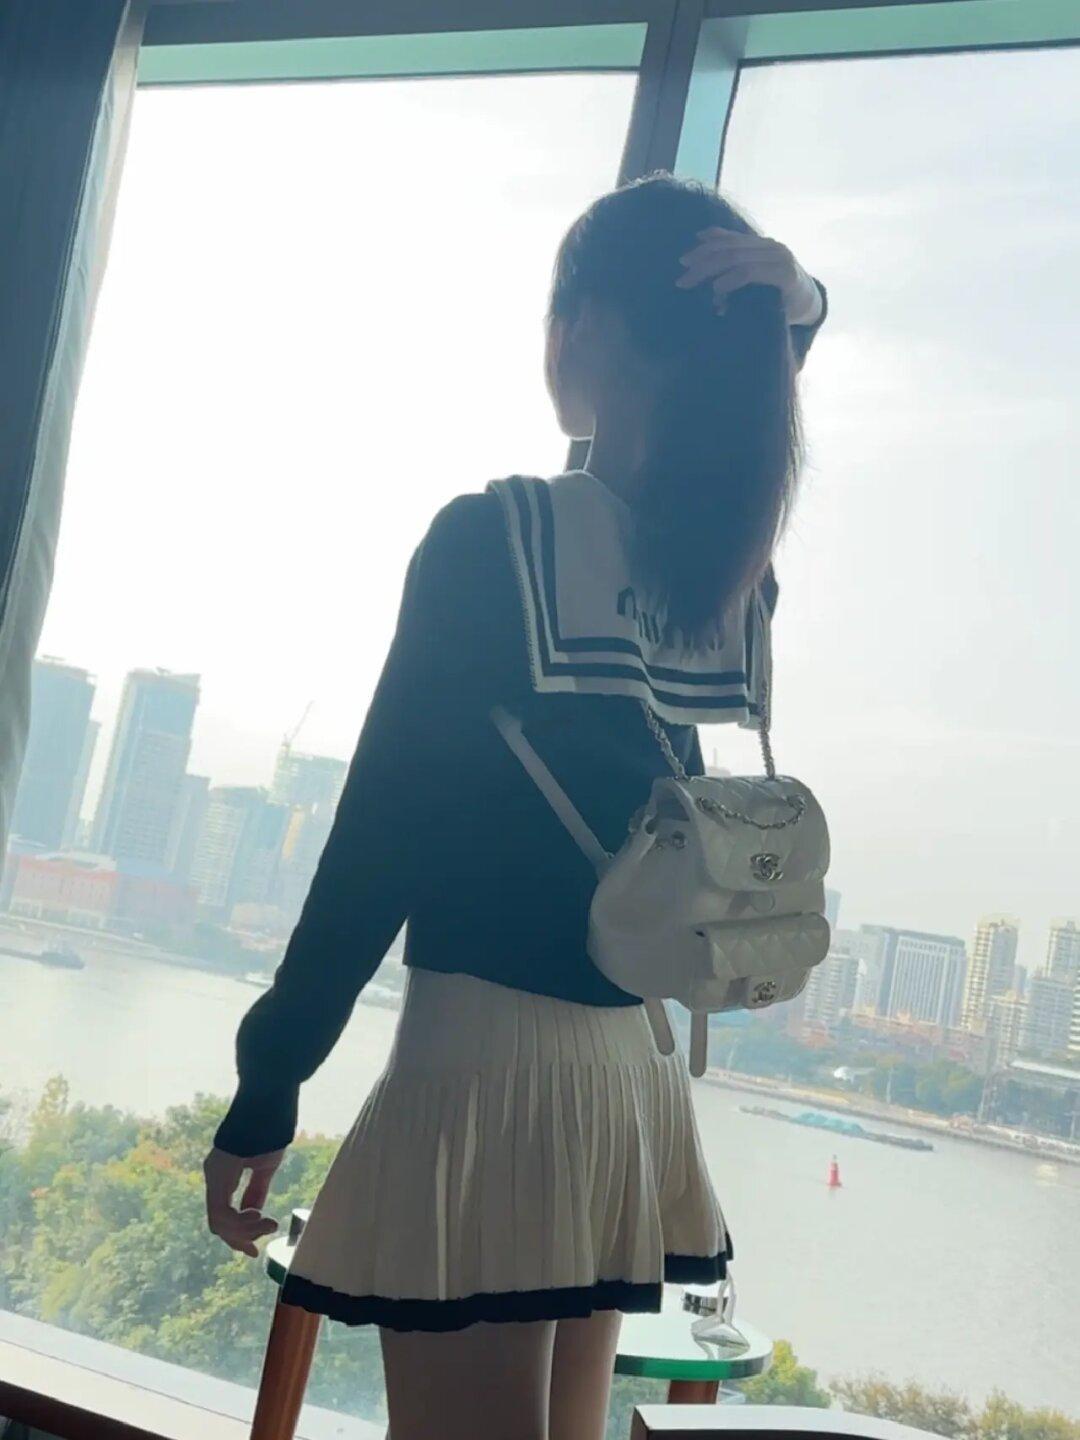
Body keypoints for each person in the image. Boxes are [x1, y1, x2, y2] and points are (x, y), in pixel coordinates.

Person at [204, 173, 826, 1440]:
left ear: (583, 325)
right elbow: (742, 409)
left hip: (488, 1070)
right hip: (627, 1072)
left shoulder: (496, 542)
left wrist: (270, 1081)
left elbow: (377, 841)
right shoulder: (719, 572)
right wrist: (799, 310)